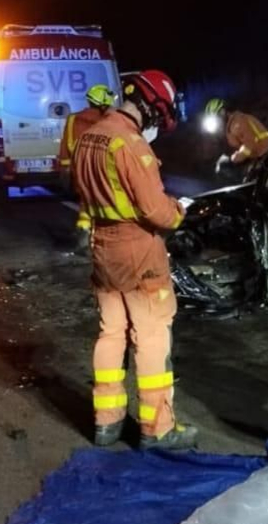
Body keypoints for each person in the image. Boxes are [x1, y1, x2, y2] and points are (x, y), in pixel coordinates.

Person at [69, 70, 198, 450]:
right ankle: (156, 429)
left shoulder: (89, 137)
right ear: (152, 107)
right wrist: (179, 212)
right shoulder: (130, 144)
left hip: (103, 247)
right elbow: (158, 211)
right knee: (152, 337)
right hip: (138, 251)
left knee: (111, 334)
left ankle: (106, 422)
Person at [60, 83, 117, 237]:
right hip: (104, 168)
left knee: (86, 201)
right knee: (106, 202)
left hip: (80, 170)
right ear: (104, 103)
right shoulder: (109, 121)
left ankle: (84, 231)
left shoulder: (73, 119)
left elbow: (65, 146)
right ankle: (103, 233)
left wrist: (65, 169)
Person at [201, 98, 268, 173]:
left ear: (222, 112)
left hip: (267, 153)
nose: (217, 121)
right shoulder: (230, 128)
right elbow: (241, 148)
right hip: (260, 157)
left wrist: (233, 159)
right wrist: (228, 158)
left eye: (216, 117)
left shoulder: (237, 122)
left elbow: (249, 144)